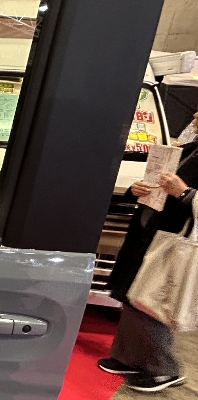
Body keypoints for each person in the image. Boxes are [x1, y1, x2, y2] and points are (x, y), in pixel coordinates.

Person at [98, 111, 198, 392]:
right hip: (151, 232)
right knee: (131, 293)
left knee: (149, 300)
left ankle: (163, 369)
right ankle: (129, 357)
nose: (194, 115)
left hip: (173, 241)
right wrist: (136, 190)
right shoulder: (191, 148)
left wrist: (184, 193)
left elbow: (182, 192)